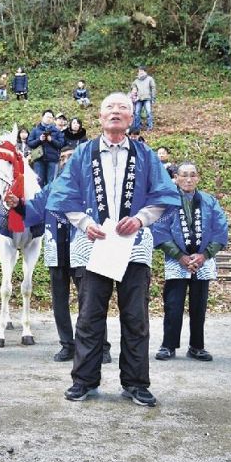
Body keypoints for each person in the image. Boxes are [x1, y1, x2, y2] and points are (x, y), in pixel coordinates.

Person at [46, 92, 180, 405]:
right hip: (96, 245)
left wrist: (141, 219)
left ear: (132, 118)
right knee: (90, 315)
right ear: (100, 116)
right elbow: (62, 195)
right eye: (110, 108)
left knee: (135, 317)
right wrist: (82, 222)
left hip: (132, 246)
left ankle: (135, 383)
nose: (116, 112)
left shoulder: (145, 155)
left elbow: (163, 195)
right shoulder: (82, 154)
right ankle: (84, 380)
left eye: (123, 108)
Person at [10, 145, 112, 364]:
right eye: (62, 157)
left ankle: (101, 346)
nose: (66, 160)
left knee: (91, 300)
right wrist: (18, 204)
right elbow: (35, 210)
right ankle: (67, 344)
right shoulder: (52, 188)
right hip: (57, 248)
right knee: (59, 301)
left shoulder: (93, 187)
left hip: (84, 249)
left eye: (70, 157)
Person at [152, 162, 229, 362]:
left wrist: (205, 255)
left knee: (199, 305)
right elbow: (160, 231)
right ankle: (168, 345)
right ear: (175, 178)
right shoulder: (167, 201)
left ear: (198, 178)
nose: (188, 179)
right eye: (184, 175)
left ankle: (196, 346)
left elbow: (220, 229)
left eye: (193, 175)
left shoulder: (209, 201)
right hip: (177, 260)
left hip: (203, 259)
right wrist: (180, 256)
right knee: (173, 304)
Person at [27, 110, 65, 186]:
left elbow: (61, 144)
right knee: (38, 181)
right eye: (47, 117)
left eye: (51, 117)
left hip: (53, 160)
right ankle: (38, 197)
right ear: (42, 117)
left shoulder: (57, 131)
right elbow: (30, 143)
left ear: (53, 119)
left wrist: (51, 140)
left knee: (51, 182)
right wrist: (39, 140)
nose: (49, 119)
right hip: (39, 159)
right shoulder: (35, 130)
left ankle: (49, 198)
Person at [130, 66, 157, 131]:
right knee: (136, 113)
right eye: (139, 71)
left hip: (147, 98)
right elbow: (133, 88)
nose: (140, 72)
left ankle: (150, 127)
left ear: (145, 72)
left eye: (142, 71)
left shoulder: (150, 79)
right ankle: (137, 127)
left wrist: (153, 98)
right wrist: (133, 95)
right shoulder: (136, 81)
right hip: (139, 99)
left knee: (149, 112)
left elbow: (153, 88)